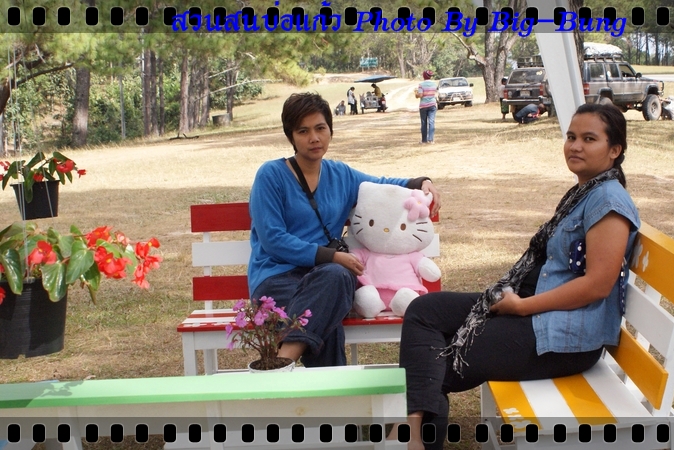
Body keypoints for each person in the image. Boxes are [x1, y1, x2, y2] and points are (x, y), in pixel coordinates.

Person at [397, 103, 640, 450]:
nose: (575, 146)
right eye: (571, 137)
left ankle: (412, 435)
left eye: (589, 139)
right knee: (425, 311)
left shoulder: (609, 202)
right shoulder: (586, 192)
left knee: (434, 365)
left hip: (563, 338)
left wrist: (522, 307)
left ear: (614, 150)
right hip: (537, 310)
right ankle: (413, 431)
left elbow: (597, 285)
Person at [248, 92, 441, 368]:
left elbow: (383, 185)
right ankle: (306, 378)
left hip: (327, 278)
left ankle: (281, 362)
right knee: (328, 312)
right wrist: (332, 256)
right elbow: (273, 240)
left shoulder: (341, 175)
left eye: (320, 128)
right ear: (291, 136)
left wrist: (422, 181)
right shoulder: (271, 175)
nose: (314, 137)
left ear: (330, 130)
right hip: (277, 278)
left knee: (337, 280)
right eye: (303, 131)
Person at [416, 69, 438, 144]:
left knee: (424, 123)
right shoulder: (434, 84)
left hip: (423, 106)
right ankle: (431, 139)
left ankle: (424, 140)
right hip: (432, 105)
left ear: (424, 76)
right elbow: (435, 93)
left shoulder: (421, 85)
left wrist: (416, 95)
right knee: (431, 122)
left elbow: (420, 95)